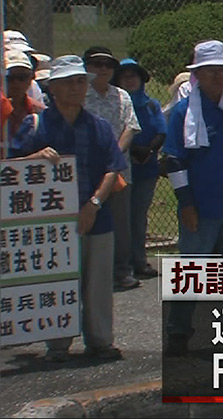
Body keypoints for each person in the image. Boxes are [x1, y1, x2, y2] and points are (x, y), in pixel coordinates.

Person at [10, 55, 128, 362]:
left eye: (80, 81)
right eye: (69, 82)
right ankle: (58, 343)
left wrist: (95, 203)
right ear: (52, 88)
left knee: (99, 283)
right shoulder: (34, 124)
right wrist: (34, 158)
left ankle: (101, 341)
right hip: (51, 224)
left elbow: (113, 168)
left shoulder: (98, 127)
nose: (77, 88)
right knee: (58, 281)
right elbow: (10, 169)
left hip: (96, 215)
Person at [162, 40, 223, 356]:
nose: (217, 76)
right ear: (197, 74)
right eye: (209, 71)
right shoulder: (184, 111)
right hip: (200, 205)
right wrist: (186, 203)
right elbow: (174, 160)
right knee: (192, 270)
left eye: (222, 70)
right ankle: (178, 331)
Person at [83, 46, 142, 291]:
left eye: (108, 65)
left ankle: (121, 271)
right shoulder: (81, 95)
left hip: (119, 170)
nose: (103, 69)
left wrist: (115, 155)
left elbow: (131, 127)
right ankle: (90, 274)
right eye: (97, 64)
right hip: (88, 171)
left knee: (121, 224)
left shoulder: (122, 96)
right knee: (89, 220)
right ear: (86, 66)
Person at [111, 58, 166, 279]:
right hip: (124, 165)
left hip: (147, 166)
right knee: (122, 217)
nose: (131, 79)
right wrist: (133, 150)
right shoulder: (116, 102)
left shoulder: (151, 104)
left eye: (134, 75)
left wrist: (149, 150)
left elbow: (162, 131)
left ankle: (140, 260)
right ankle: (123, 263)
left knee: (139, 215)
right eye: (125, 76)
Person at [5, 49, 46, 138]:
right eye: (10, 78)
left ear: (31, 78)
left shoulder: (39, 111)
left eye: (22, 77)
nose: (16, 83)